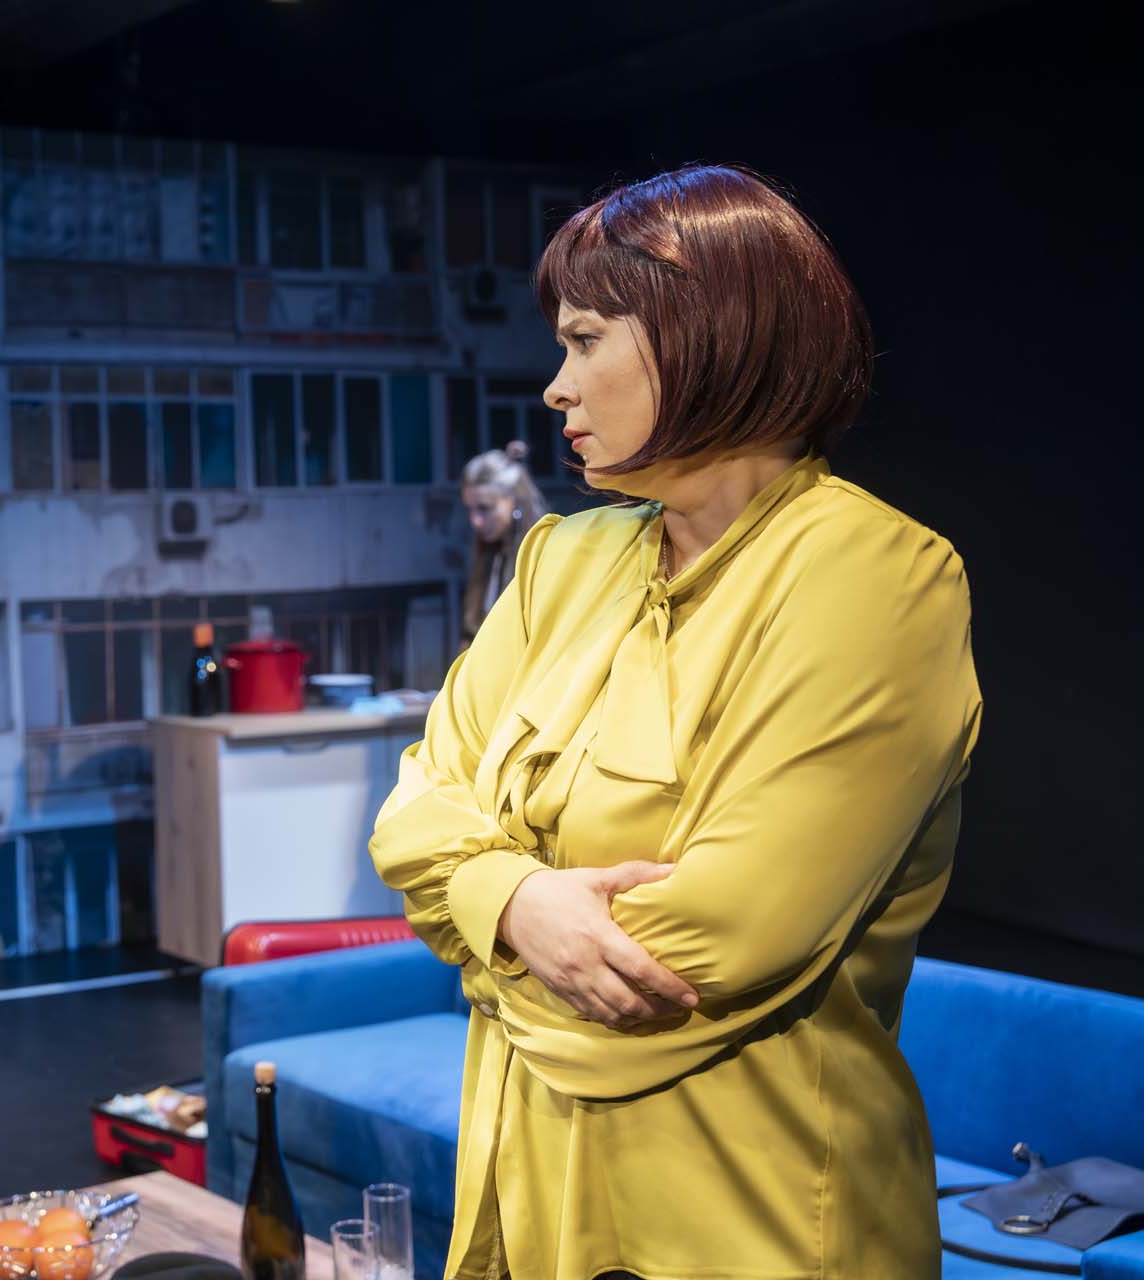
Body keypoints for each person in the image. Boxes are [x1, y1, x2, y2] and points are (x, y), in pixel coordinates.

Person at [369, 166, 981, 1280]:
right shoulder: (560, 560)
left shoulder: (878, 575)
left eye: (585, 341)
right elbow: (413, 811)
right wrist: (517, 901)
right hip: (523, 1190)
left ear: (711, 337)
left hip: (757, 1216)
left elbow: (717, 942)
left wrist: (478, 925)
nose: (556, 387)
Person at [459, 441, 550, 648]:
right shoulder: (489, 553)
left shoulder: (543, 554)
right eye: (470, 509)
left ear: (514, 501)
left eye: (485, 508)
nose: (475, 521)